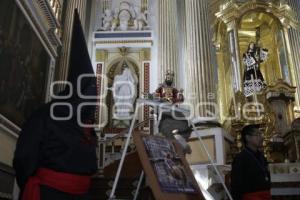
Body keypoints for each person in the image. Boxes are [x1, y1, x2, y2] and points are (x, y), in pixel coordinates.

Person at [13, 11, 98, 200]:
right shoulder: (44, 115)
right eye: (89, 88)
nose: (94, 96)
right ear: (76, 89)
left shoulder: (86, 125)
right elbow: (24, 159)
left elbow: (91, 166)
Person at [231, 124, 271, 200]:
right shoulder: (240, 158)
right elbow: (236, 185)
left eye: (261, 134)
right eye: (257, 135)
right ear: (248, 138)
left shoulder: (262, 157)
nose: (261, 138)